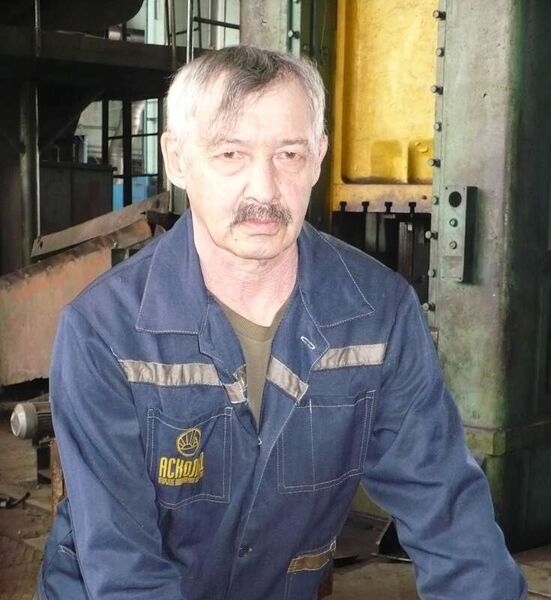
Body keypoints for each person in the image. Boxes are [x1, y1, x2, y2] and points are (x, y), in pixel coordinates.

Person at [37, 46, 526, 599]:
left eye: (288, 154)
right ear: (177, 158)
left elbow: (449, 515)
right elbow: (126, 571)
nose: (264, 190)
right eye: (230, 153)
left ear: (318, 158)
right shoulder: (104, 332)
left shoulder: (379, 315)